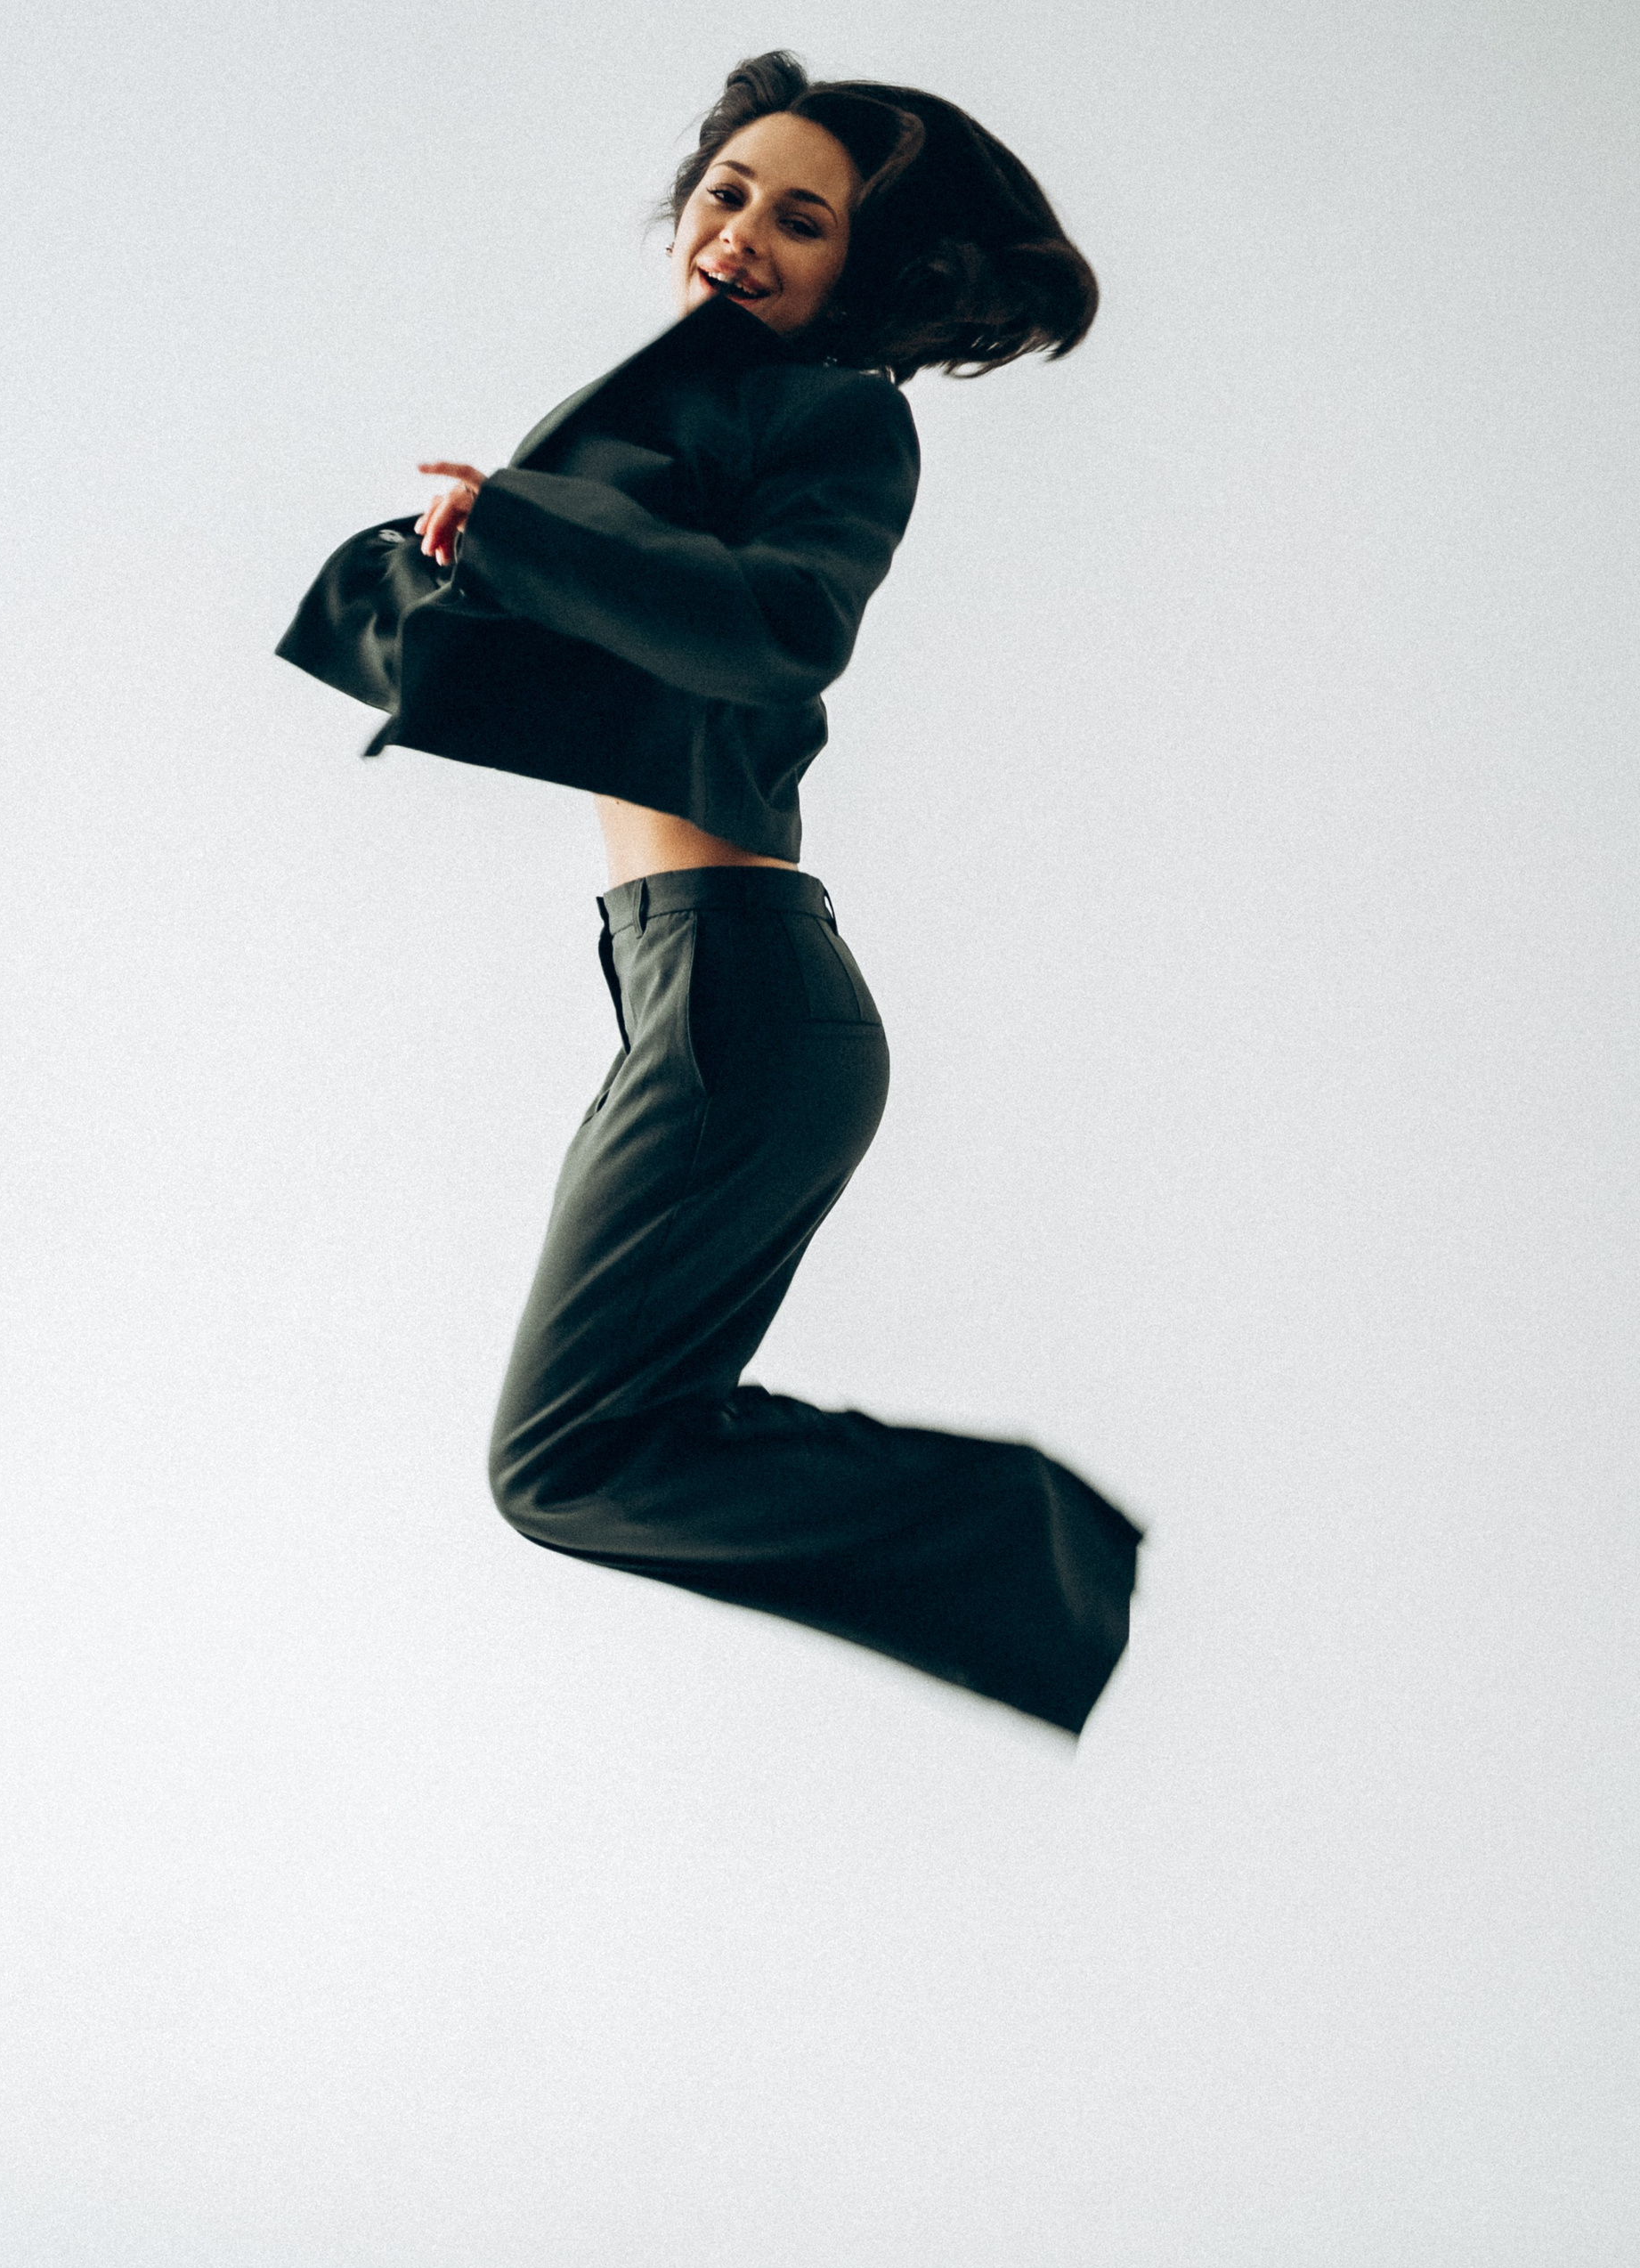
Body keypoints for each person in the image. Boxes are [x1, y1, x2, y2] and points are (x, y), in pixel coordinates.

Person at [277, 49, 1143, 1736]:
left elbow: (776, 628)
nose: (739, 231)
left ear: (863, 273)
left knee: (565, 1458)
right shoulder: (683, 421)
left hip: (743, 997)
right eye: (728, 192)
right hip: (688, 991)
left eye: (801, 220)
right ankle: (1033, 1556)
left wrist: (521, 535)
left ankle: (1035, 1548)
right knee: (596, 1444)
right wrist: (438, 557)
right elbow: (548, 652)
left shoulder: (838, 415)